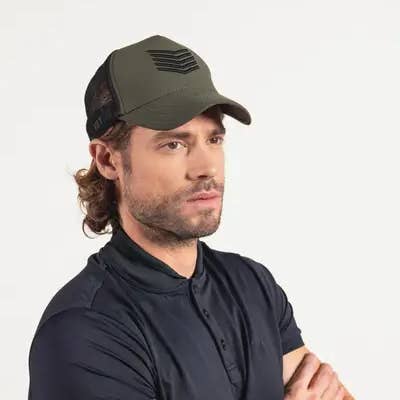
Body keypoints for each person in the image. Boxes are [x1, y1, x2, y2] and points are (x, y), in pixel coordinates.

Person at [27, 34, 354, 399]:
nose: (206, 167)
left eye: (214, 140)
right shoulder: (85, 331)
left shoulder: (252, 285)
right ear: (108, 160)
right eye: (174, 144)